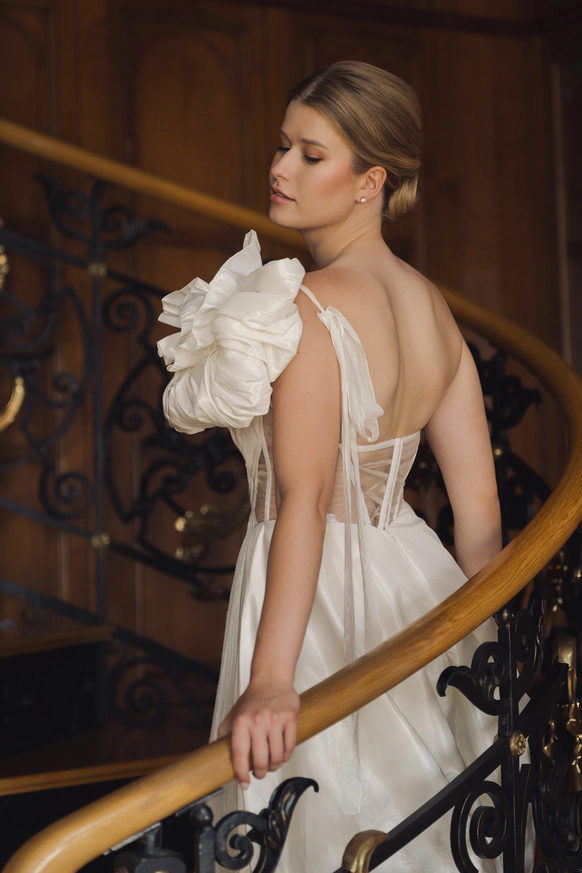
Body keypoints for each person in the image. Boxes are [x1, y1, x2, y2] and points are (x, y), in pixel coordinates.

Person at [158, 61, 501, 873]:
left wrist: (273, 679)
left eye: (311, 155)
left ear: (371, 181)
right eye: (284, 145)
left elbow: (305, 499)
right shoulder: (433, 307)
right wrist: (487, 659)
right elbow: (479, 521)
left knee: (319, 820)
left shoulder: (307, 307)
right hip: (419, 589)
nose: (280, 167)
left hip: (311, 600)